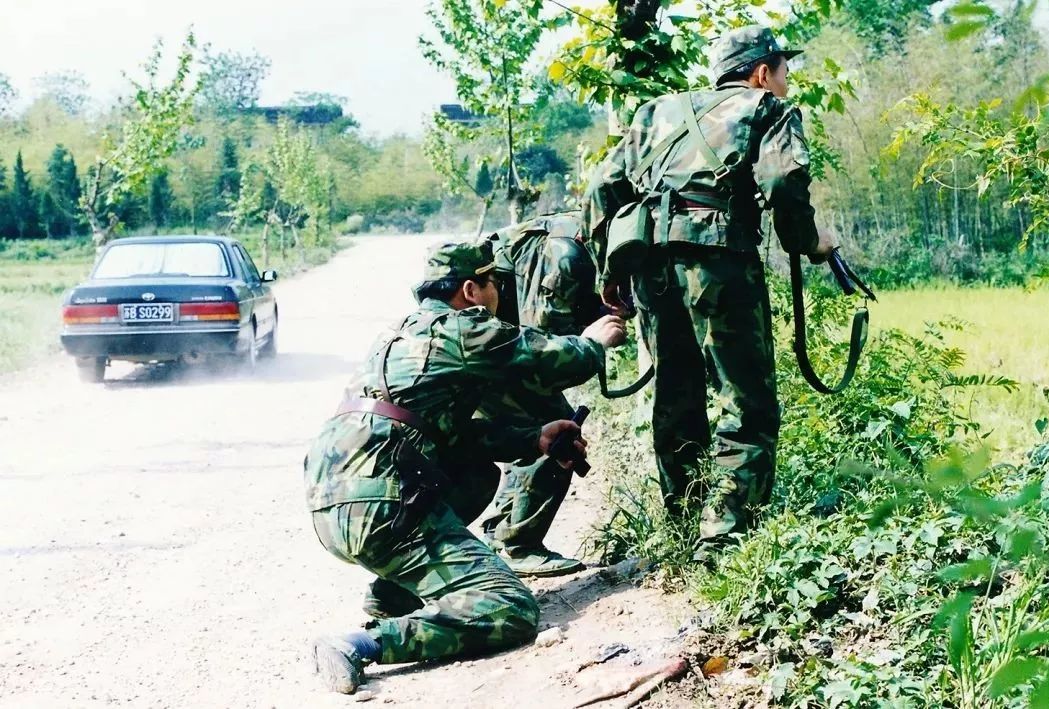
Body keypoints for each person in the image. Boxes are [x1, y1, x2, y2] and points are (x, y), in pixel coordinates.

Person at [303, 240, 626, 693]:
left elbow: (449, 437)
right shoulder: (464, 329)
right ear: (472, 289)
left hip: (336, 502)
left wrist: (533, 439)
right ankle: (363, 643)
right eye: (495, 283)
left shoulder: (401, 334)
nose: (499, 295)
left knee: (476, 470)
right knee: (510, 609)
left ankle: (395, 594)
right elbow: (555, 361)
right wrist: (593, 342)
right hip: (382, 505)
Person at [581, 25, 837, 561]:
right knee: (746, 400)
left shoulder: (655, 111)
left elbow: (603, 188)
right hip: (717, 263)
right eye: (784, 71)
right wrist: (809, 241)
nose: (786, 82)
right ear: (762, 72)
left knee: (676, 390)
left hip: (649, 266)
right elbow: (785, 183)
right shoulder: (768, 108)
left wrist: (610, 270)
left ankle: (681, 517)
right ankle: (723, 537)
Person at [477, 212, 603, 577]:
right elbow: (546, 352)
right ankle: (520, 545)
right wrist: (595, 339)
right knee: (557, 430)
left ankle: (501, 534)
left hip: (484, 344)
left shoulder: (568, 234)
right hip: (490, 348)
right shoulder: (565, 254)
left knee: (529, 426)